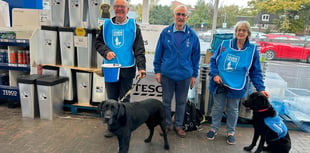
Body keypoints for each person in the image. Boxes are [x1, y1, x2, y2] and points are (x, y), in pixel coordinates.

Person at [206, 21, 270, 144]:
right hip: (220, 83)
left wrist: (261, 88)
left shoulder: (252, 50)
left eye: (243, 30)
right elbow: (213, 61)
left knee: (233, 109)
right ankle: (214, 129)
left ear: (248, 33)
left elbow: (255, 71)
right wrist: (215, 74)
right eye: (238, 30)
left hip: (237, 85)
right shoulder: (225, 44)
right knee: (217, 107)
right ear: (235, 32)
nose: (240, 32)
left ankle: (231, 132)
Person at [95, 0, 146, 137]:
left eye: (122, 7)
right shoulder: (105, 25)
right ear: (113, 9)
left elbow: (139, 49)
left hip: (127, 68)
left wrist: (141, 67)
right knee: (111, 100)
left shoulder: (134, 27)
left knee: (124, 102)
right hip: (110, 68)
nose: (119, 9)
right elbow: (98, 43)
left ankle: (124, 126)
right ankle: (112, 127)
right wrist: (106, 52)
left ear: (127, 10)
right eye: (117, 7)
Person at [153, 5, 201, 138]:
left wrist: (194, 75)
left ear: (187, 17)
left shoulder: (192, 36)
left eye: (183, 15)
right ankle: (167, 124)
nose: (180, 17)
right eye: (178, 14)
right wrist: (157, 70)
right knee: (166, 102)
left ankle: (178, 125)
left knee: (181, 103)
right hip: (167, 74)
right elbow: (158, 53)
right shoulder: (165, 33)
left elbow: (195, 57)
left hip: (185, 75)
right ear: (174, 16)